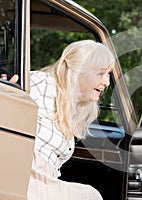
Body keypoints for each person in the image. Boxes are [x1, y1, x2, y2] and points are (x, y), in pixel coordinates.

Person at [27, 40, 115, 200]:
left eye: (108, 74)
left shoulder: (73, 108)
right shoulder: (41, 84)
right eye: (101, 73)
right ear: (79, 70)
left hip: (45, 180)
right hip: (26, 176)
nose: (106, 82)